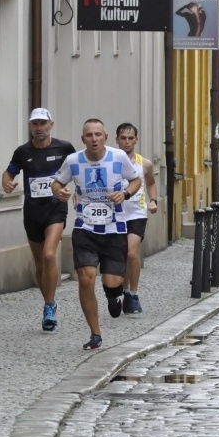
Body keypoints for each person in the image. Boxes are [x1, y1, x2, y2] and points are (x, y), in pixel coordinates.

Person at [51, 119, 141, 350]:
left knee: (112, 282)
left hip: (115, 228)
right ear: (83, 139)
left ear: (105, 137)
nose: (94, 139)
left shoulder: (118, 158)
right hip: (85, 227)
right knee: (86, 277)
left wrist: (125, 194)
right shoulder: (73, 161)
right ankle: (95, 333)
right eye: (89, 135)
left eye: (98, 134)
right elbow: (56, 182)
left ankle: (113, 296)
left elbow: (136, 180)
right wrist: (60, 192)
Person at [2, 108, 76, 332]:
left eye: (43, 123)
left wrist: (76, 192)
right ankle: (49, 301)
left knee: (49, 254)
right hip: (33, 212)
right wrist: (6, 183)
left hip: (56, 209)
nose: (39, 128)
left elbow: (79, 170)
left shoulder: (64, 148)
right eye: (35, 124)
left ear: (51, 125)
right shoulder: (23, 152)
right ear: (30, 126)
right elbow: (9, 173)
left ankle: (49, 307)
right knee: (39, 263)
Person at [114, 123, 158, 314]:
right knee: (122, 255)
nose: (127, 142)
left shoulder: (144, 163)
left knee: (132, 253)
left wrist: (153, 200)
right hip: (116, 214)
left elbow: (151, 183)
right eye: (123, 138)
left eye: (130, 138)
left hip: (137, 214)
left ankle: (133, 293)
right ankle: (124, 290)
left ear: (136, 140)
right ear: (116, 140)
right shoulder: (111, 162)